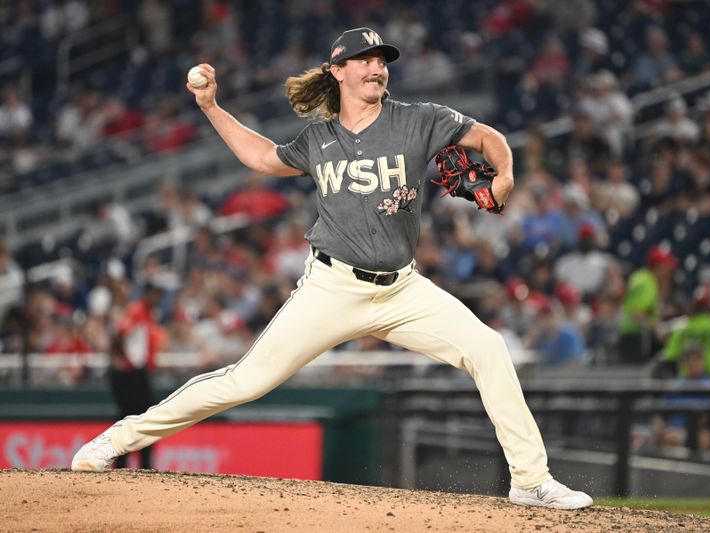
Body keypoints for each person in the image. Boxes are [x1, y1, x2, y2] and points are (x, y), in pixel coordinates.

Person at [71, 27, 592, 510]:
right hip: (332, 285)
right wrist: (211, 107)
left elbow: (486, 136)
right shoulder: (318, 139)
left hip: (403, 289)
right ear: (337, 71)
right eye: (364, 60)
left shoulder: (418, 119)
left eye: (381, 60)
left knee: (488, 347)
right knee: (242, 383)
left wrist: (504, 173)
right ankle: (113, 441)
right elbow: (261, 158)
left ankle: (529, 480)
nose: (376, 68)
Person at [108, 283, 167, 469]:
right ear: (147, 294)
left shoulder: (146, 313)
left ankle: (128, 465)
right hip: (130, 374)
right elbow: (119, 334)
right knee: (141, 419)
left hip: (135, 373)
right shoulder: (138, 311)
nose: (157, 299)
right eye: (155, 294)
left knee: (132, 419)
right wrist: (120, 358)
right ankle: (137, 465)